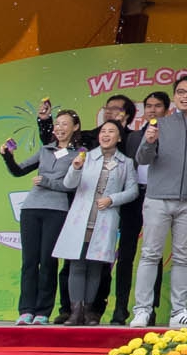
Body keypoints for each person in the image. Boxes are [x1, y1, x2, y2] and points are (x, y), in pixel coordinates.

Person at [131, 75, 187, 328]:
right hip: (158, 199)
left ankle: (179, 312)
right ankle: (142, 310)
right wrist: (148, 141)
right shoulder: (160, 124)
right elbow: (143, 159)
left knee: (183, 258)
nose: (185, 96)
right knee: (150, 255)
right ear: (174, 96)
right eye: (180, 91)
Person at [51, 119, 143, 322]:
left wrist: (112, 199)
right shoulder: (85, 157)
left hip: (105, 219)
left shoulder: (125, 162)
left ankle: (88, 310)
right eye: (103, 131)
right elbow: (69, 184)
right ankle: (75, 312)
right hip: (81, 219)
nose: (106, 135)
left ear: (119, 138)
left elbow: (133, 191)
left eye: (111, 131)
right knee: (77, 264)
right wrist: (75, 168)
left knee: (95, 266)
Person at [0, 112, 81, 321]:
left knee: (48, 261)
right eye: (57, 124)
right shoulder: (45, 150)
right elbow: (19, 171)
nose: (60, 128)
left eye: (65, 124)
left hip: (57, 210)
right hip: (31, 208)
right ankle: (26, 310)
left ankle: (43, 312)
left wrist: (47, 182)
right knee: (29, 261)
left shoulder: (79, 154)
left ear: (75, 127)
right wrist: (8, 156)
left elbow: (73, 185)